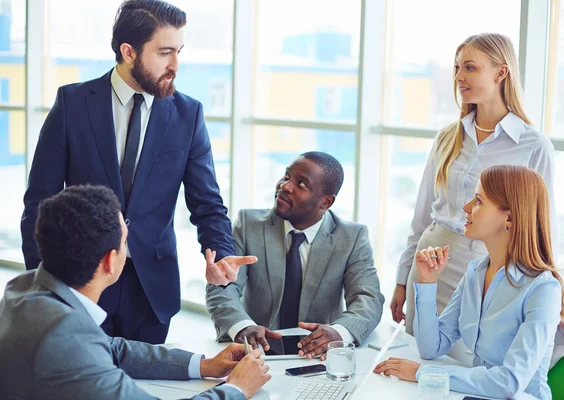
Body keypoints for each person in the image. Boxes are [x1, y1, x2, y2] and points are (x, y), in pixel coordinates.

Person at [20, 0, 255, 344]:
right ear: (129, 52)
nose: (175, 64)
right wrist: (43, 285)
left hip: (151, 291)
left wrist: (218, 254)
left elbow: (208, 204)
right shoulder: (72, 104)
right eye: (165, 52)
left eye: (179, 51)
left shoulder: (188, 115)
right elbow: (40, 204)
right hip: (80, 283)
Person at [1, 185, 270, 399]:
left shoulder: (27, 288)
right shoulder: (68, 337)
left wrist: (203, 364)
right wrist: (236, 388)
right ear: (109, 261)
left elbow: (112, 348)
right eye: (126, 240)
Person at [390, 33, 561, 337]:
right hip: (429, 262)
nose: (458, 77)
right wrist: (403, 278)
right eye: (456, 68)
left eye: (470, 68)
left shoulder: (533, 145)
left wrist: (555, 301)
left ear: (501, 72)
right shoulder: (447, 137)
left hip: (488, 269)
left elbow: (540, 228)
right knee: (420, 358)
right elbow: (421, 217)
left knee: (469, 361)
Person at [375, 166, 564, 400]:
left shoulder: (542, 289)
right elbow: (432, 348)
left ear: (509, 217)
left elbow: (509, 383)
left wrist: (423, 373)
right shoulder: (475, 272)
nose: (466, 207)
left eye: (478, 201)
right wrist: (428, 282)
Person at [206, 152, 384, 359]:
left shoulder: (351, 237)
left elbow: (368, 298)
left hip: (319, 357)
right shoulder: (248, 224)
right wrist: (242, 327)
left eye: (301, 184)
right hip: (255, 352)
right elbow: (221, 287)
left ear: (325, 202)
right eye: (287, 176)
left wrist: (339, 333)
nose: (285, 186)